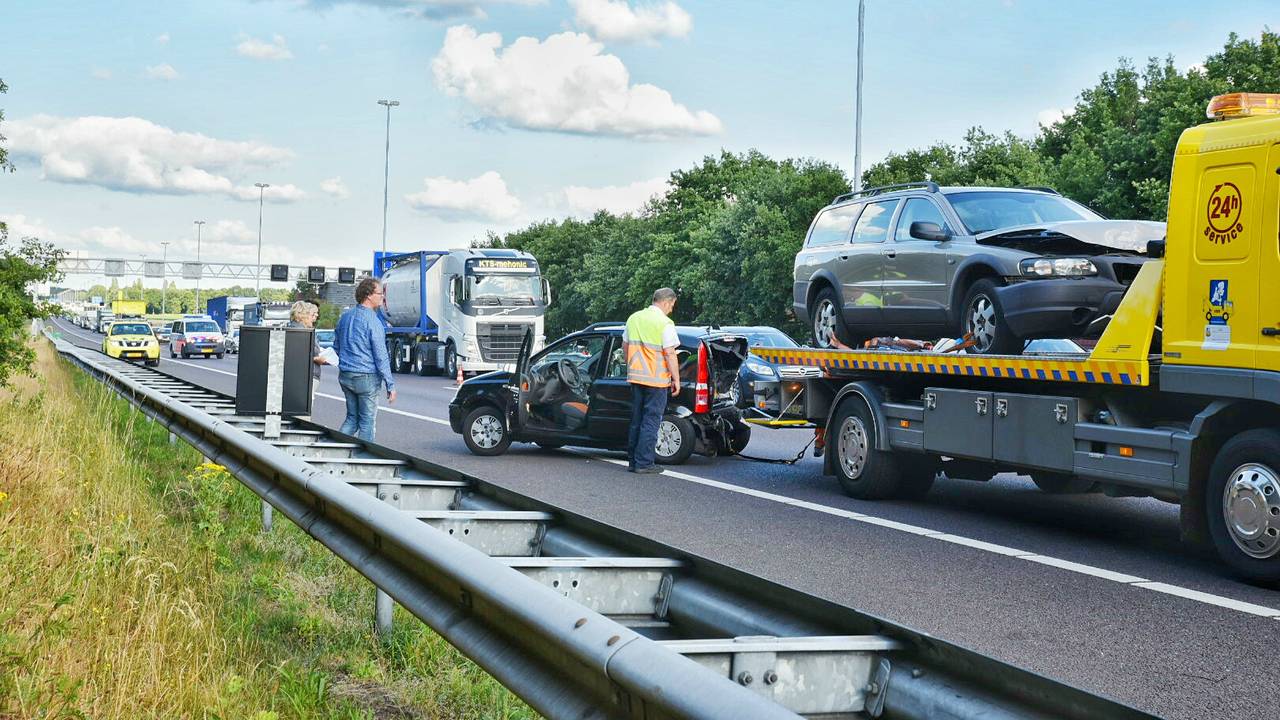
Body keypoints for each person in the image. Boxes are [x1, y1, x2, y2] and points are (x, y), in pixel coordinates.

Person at [624, 287, 681, 474]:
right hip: (656, 380)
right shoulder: (665, 323)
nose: (671, 309)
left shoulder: (634, 318)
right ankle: (644, 463)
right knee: (651, 422)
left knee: (636, 420)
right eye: (672, 305)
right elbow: (670, 354)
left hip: (636, 377)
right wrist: (676, 379)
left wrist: (630, 366)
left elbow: (625, 345)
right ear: (665, 302)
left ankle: (633, 461)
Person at [333, 278, 396, 441]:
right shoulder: (373, 321)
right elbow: (381, 356)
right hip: (366, 377)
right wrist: (390, 384)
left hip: (346, 375)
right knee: (367, 423)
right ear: (368, 295)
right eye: (380, 293)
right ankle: (363, 459)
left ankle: (333, 448)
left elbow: (337, 347)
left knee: (352, 419)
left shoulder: (345, 317)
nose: (383, 297)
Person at [287, 300, 328, 421]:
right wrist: (316, 358)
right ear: (303, 315)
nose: (315, 318)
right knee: (303, 412)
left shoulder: (295, 329)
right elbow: (299, 354)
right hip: (306, 376)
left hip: (301, 376)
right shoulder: (303, 332)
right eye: (312, 315)